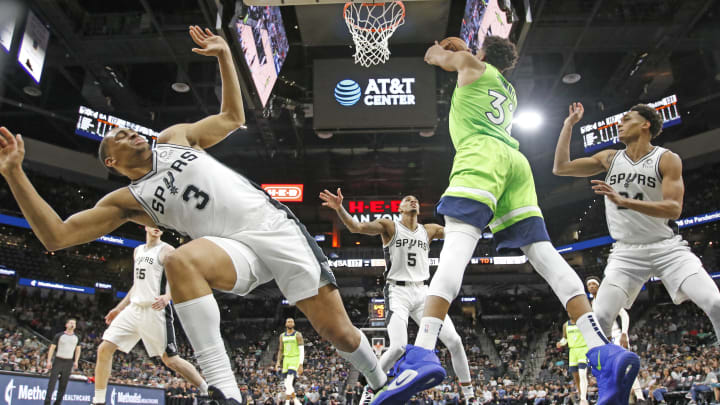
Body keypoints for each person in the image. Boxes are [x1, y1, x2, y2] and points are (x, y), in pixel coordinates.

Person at [0, 26, 385, 405]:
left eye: (126, 129)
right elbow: (57, 236)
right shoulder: (128, 200)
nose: (128, 132)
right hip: (232, 250)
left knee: (340, 335)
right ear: (113, 162)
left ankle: (380, 382)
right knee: (180, 260)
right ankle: (226, 392)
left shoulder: (172, 138)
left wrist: (224, 56)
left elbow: (232, 117)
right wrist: (15, 173)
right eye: (118, 136)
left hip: (273, 226)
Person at [372, 36, 638, 405]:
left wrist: (449, 47)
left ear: (479, 54)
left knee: (455, 252)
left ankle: (422, 353)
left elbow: (432, 55)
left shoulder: (471, 64)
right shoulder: (506, 87)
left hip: (480, 155)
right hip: (515, 164)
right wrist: (466, 50)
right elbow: (468, 63)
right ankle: (602, 350)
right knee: (546, 257)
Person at [555, 102, 720, 390]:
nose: (620, 124)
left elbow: (673, 209)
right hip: (625, 253)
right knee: (601, 317)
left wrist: (624, 201)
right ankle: (609, 387)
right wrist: (569, 125)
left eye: (627, 119)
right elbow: (561, 167)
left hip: (667, 248)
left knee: (715, 302)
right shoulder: (609, 158)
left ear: (646, 125)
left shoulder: (667, 159)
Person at [319, 192, 475, 401]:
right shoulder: (389, 226)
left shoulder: (429, 230)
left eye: (416, 201)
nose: (413, 201)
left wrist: (476, 217)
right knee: (397, 347)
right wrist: (340, 209)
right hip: (397, 292)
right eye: (408, 200)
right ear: (400, 208)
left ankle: (471, 395)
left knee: (454, 340)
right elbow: (356, 228)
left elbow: (459, 234)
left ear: (419, 209)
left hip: (423, 292)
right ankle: (370, 389)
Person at [92, 227, 207, 405]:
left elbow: (175, 279)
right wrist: (119, 308)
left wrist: (168, 297)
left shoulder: (168, 250)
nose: (156, 228)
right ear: (145, 226)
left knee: (171, 360)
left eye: (160, 226)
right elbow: (136, 285)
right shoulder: (137, 250)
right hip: (134, 308)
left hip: (155, 309)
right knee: (104, 349)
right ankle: (98, 401)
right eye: (152, 224)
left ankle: (207, 389)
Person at [586, 277, 644, 402]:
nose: (591, 286)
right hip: (605, 342)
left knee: (627, 367)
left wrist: (624, 334)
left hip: (616, 336)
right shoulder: (592, 304)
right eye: (589, 285)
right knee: (612, 372)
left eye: (593, 284)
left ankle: (640, 397)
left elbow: (624, 314)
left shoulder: (606, 298)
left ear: (599, 286)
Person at [44, 319, 81, 405]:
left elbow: (78, 350)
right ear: (66, 324)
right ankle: (47, 403)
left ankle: (57, 403)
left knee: (63, 385)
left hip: (68, 362)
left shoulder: (77, 337)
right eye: (71, 323)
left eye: (74, 323)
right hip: (58, 360)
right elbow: (52, 348)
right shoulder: (59, 335)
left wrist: (76, 361)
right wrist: (49, 361)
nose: (73, 324)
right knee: (52, 383)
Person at [556, 318, 589, 405]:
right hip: (573, 351)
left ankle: (583, 398)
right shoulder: (565, 325)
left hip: (583, 348)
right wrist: (560, 343)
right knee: (576, 376)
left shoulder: (584, 321)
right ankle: (581, 393)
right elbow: (565, 339)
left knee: (582, 374)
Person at [276, 318, 304, 405]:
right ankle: (288, 402)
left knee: (288, 381)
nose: (290, 323)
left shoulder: (298, 335)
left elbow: (302, 350)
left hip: (295, 358)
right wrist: (278, 362)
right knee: (286, 383)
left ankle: (295, 401)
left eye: (292, 321)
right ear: (285, 324)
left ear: (294, 324)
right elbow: (280, 350)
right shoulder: (282, 336)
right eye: (288, 321)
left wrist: (301, 364)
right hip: (286, 359)